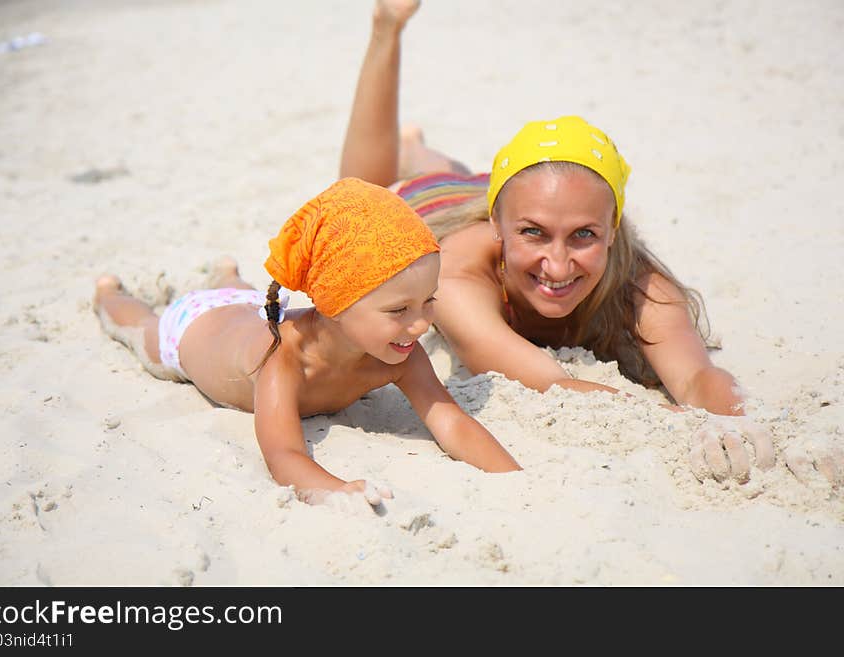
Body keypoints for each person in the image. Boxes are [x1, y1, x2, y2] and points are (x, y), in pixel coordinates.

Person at [337, 0, 777, 484]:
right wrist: (684, 425)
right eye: (534, 235)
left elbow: (697, 377)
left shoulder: (643, 284)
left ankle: (422, 151)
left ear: (613, 230)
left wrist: (738, 417)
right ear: (496, 227)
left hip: (521, 191)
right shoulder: (456, 277)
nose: (559, 264)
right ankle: (388, 36)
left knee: (463, 177)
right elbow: (555, 382)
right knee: (363, 195)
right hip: (433, 210)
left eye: (584, 236)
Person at [94, 177, 521, 508]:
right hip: (192, 329)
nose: (420, 325)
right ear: (334, 305)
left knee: (243, 294)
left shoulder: (399, 353)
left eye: (429, 302)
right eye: (398, 311)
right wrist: (340, 491)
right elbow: (283, 455)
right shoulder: (282, 358)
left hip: (251, 309)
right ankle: (108, 295)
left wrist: (515, 478)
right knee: (142, 330)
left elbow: (452, 422)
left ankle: (228, 275)